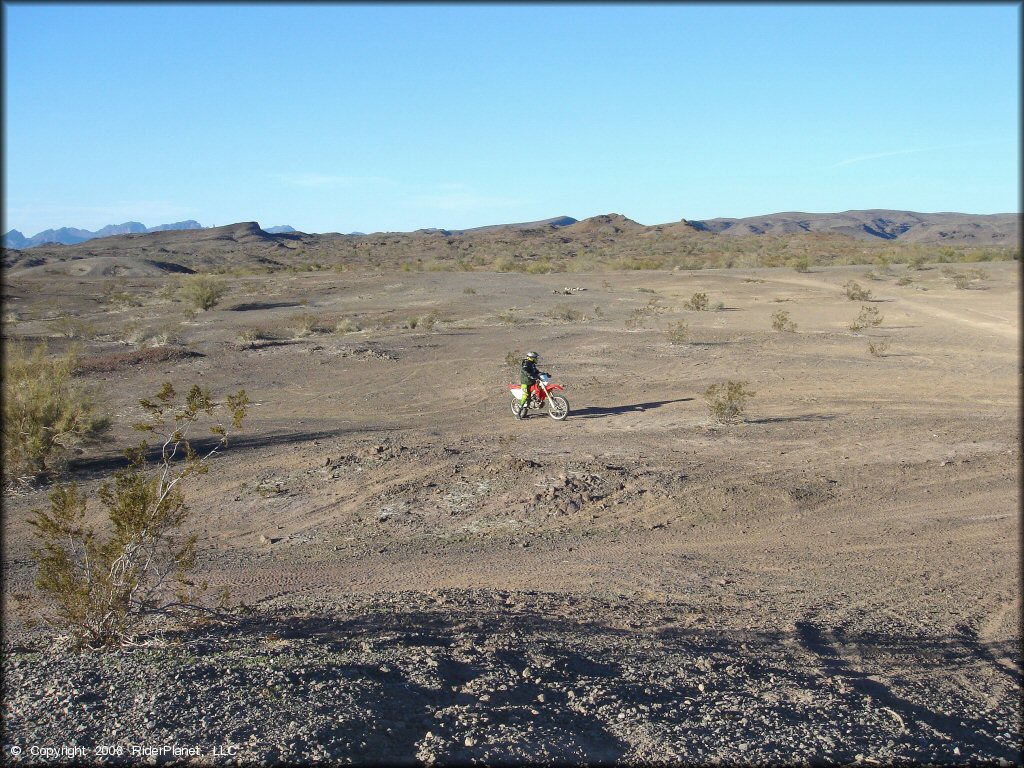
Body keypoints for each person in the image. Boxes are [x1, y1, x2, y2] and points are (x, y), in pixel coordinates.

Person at [517, 351, 543, 419]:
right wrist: (529, 375)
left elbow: (536, 371)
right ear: (531, 358)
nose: (536, 359)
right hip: (526, 382)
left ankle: (534, 401)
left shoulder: (532, 364)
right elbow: (524, 370)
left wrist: (543, 374)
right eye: (535, 358)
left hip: (532, 381)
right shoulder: (526, 363)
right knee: (525, 396)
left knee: (538, 389)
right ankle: (518, 413)